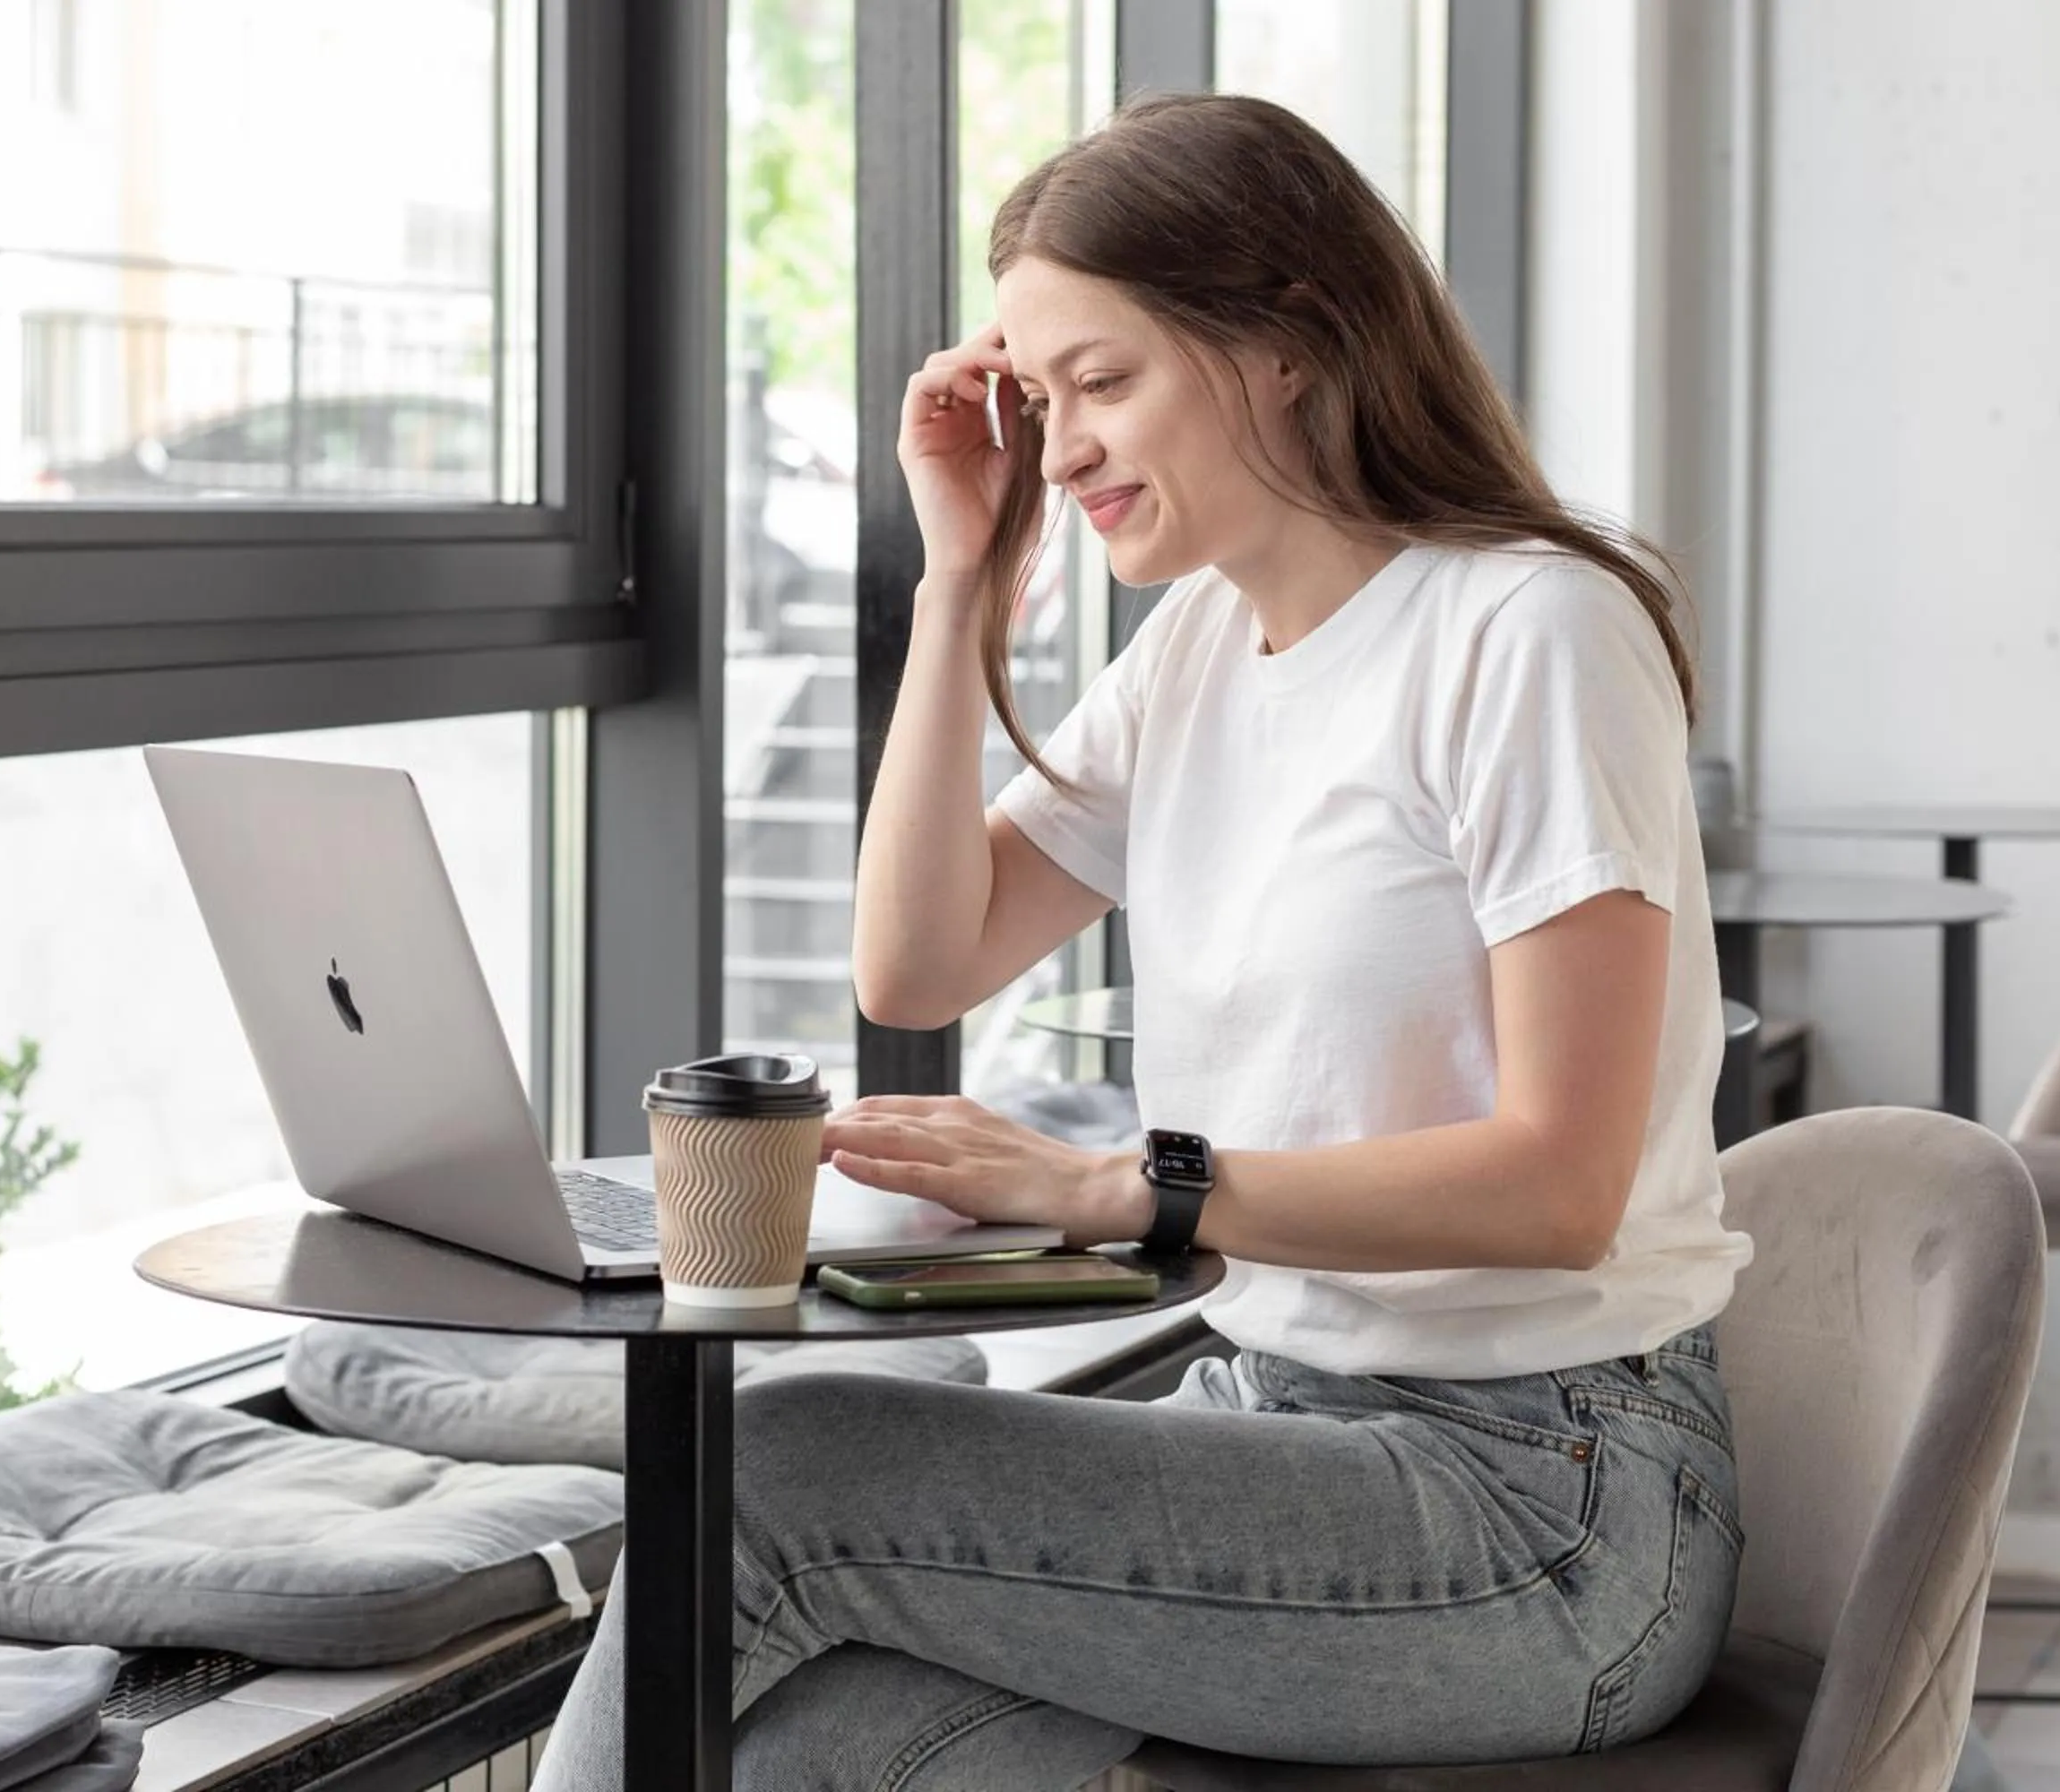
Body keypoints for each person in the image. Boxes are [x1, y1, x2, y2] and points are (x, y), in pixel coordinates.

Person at [539, 92, 1751, 1789]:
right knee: (807, 1745)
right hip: (1273, 1419)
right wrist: (959, 579)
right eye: (1038, 401)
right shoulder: (1192, 654)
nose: (1065, 444)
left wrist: (1121, 1185)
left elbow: (1561, 1188)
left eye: (1105, 383)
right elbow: (920, 963)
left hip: (1549, 1498)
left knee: (784, 1466)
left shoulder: (1531, 629)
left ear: (1287, 347)